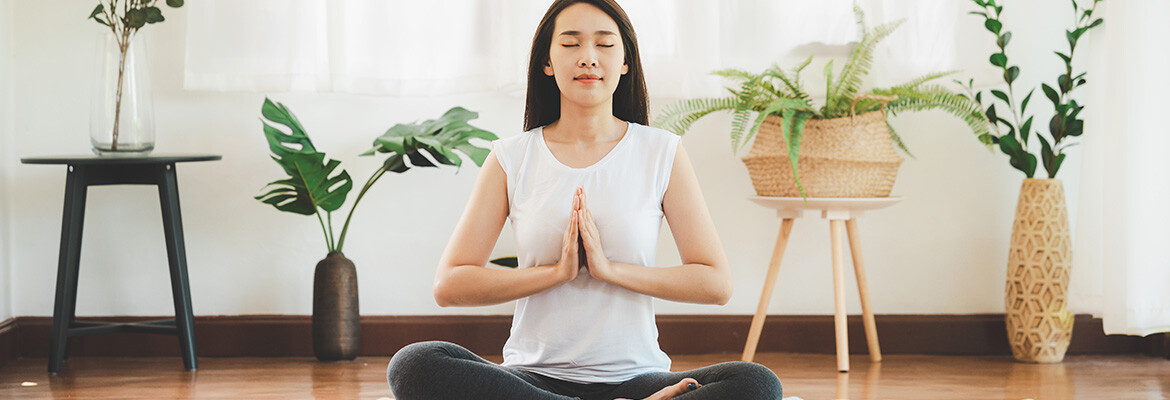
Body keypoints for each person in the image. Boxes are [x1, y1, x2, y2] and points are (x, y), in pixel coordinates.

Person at [387, 1, 783, 399]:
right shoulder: (511, 157)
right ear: (547, 61)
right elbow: (450, 284)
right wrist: (556, 273)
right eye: (571, 44)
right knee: (415, 363)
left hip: (637, 379)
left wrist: (608, 269)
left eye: (605, 44)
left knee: (757, 384)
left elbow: (715, 283)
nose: (588, 58)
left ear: (626, 62)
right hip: (532, 378)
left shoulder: (661, 151)